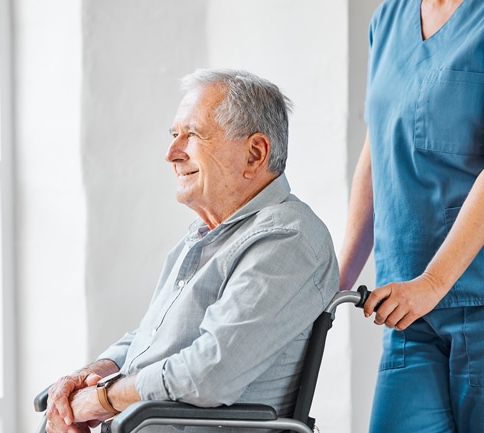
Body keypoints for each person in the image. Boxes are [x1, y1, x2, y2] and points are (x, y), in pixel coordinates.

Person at [44, 69, 339, 433]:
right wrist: (94, 374)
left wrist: (103, 399)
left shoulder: (287, 239)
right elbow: (152, 340)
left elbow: (210, 372)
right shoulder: (205, 235)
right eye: (173, 135)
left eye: (192, 135)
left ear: (254, 154)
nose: (171, 153)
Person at [339, 1, 484, 432]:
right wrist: (337, 279)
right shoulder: (389, 19)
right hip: (405, 306)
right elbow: (375, 153)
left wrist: (432, 284)